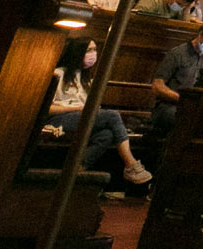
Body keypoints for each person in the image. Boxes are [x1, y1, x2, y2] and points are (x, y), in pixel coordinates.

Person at [45, 37, 152, 186]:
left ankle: (76, 170)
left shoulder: (85, 79)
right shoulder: (58, 74)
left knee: (106, 134)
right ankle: (131, 165)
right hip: (58, 120)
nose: (93, 54)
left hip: (80, 118)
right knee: (113, 115)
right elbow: (47, 109)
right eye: (89, 50)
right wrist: (77, 108)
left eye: (95, 50)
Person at [147, 16, 203, 141]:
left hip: (193, 107)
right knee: (186, 121)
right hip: (169, 106)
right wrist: (181, 99)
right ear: (201, 35)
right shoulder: (177, 54)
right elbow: (157, 86)